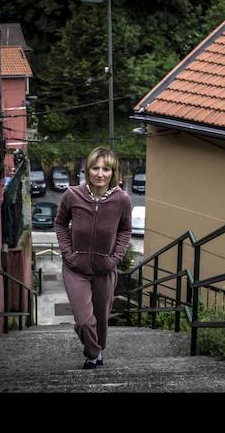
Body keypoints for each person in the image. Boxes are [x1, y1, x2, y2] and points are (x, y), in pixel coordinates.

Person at [54, 146, 132, 369]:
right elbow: (60, 224)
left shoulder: (122, 200)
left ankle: (97, 348)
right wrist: (68, 253)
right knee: (85, 320)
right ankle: (92, 354)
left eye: (106, 169)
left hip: (104, 270)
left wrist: (114, 258)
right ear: (87, 171)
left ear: (113, 172)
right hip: (75, 269)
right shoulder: (72, 195)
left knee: (100, 321)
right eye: (95, 168)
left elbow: (125, 230)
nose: (100, 173)